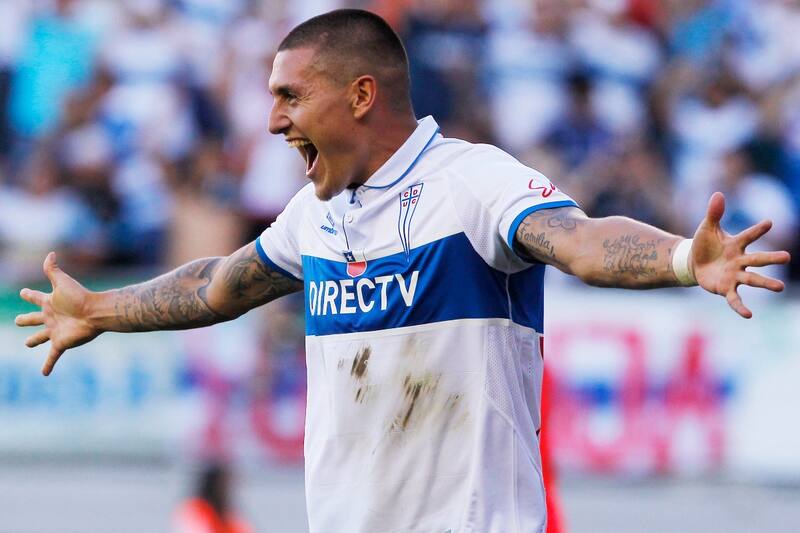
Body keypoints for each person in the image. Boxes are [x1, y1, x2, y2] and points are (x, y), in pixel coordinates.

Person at [15, 9, 790, 533]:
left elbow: (580, 240)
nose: (274, 120)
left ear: (360, 95)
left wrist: (687, 257)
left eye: (291, 96)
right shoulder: (314, 215)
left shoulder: (472, 182)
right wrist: (101, 310)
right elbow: (221, 285)